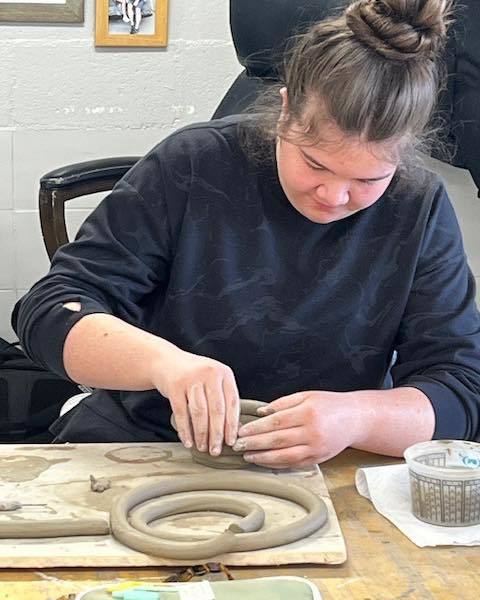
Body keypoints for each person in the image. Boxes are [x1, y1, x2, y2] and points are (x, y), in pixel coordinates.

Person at [12, 0, 480, 467]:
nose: (333, 195)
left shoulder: (417, 204)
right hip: (153, 442)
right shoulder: (193, 164)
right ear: (285, 112)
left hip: (324, 459)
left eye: (367, 180)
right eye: (314, 162)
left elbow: (462, 385)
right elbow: (51, 309)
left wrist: (357, 417)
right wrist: (163, 365)